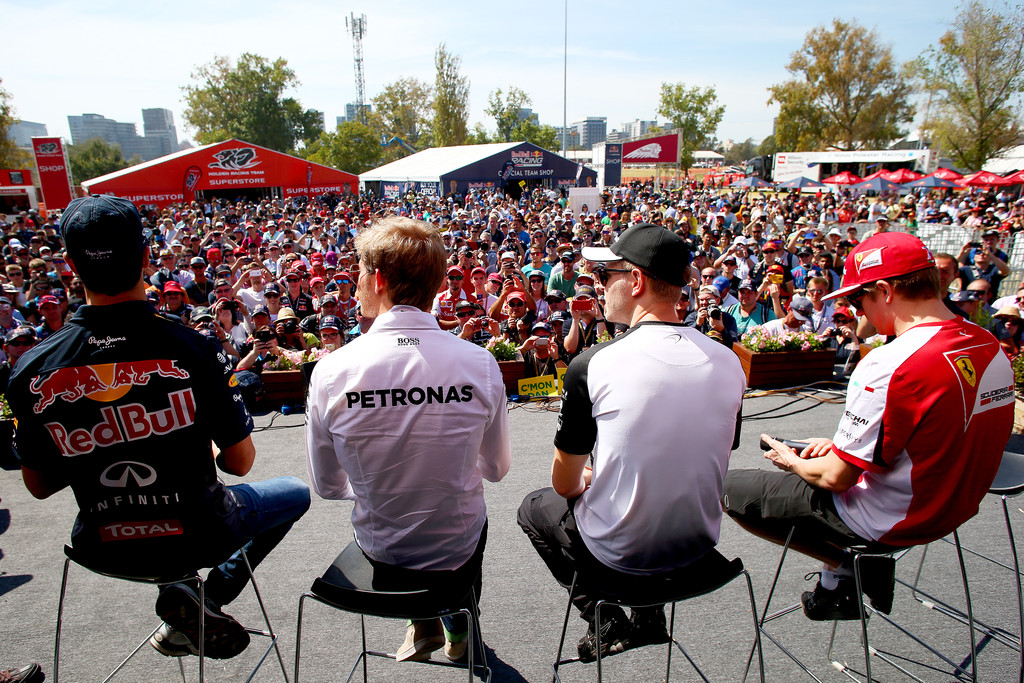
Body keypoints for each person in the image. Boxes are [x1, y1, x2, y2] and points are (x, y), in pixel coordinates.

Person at [8, 196, 310, 660]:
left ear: (70, 265)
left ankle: (184, 604)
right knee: (294, 491)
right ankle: (203, 601)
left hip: (103, 543)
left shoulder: (32, 367)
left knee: (174, 511)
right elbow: (240, 462)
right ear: (147, 259)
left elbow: (39, 485)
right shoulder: (194, 349)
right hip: (198, 532)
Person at [722, 232, 1014, 621]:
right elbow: (935, 431)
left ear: (884, 290)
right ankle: (839, 579)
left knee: (726, 488)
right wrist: (843, 445)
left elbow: (836, 480)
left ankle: (845, 564)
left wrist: (791, 460)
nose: (859, 313)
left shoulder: (889, 363)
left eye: (858, 300)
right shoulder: (989, 345)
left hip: (891, 518)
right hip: (953, 506)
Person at [517, 223, 745, 662]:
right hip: (698, 549)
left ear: (636, 281)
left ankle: (603, 619)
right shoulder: (729, 361)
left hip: (623, 560)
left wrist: (591, 474)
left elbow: (565, 485)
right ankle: (647, 616)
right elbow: (711, 450)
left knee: (533, 507)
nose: (598, 287)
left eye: (605, 277)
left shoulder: (594, 364)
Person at [305, 216, 511, 663]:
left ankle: (426, 623)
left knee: (409, 512)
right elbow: (495, 471)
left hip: (383, 551)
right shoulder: (479, 364)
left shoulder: (332, 370)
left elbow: (328, 486)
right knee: (463, 513)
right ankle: (456, 622)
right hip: (456, 549)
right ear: (438, 284)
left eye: (359, 271)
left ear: (376, 279)